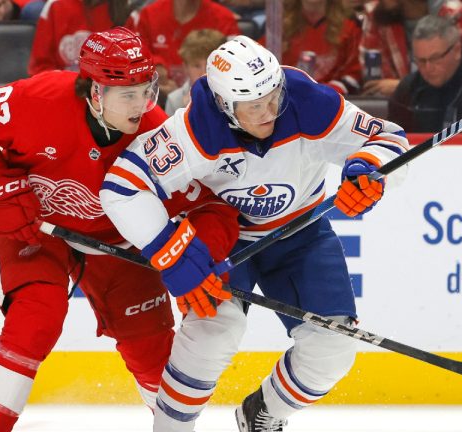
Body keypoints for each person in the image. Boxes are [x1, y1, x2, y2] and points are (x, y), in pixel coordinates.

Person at [100, 35, 409, 432]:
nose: (269, 112)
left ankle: (262, 415)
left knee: (333, 348)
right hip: (224, 235)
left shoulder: (308, 101)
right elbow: (122, 187)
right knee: (211, 335)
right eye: (254, 106)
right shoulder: (196, 128)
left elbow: (389, 139)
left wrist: (370, 170)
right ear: (225, 105)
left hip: (302, 233)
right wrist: (172, 254)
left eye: (273, 98)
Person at [0, 27, 238, 431]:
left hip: (118, 244)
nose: (141, 104)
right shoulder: (38, 98)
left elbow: (210, 205)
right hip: (35, 228)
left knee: (152, 351)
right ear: (95, 92)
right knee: (34, 322)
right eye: (127, 95)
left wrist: (199, 256)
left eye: (146, 90)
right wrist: (2, 189)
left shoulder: (155, 135)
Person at [388, 15, 462, 132]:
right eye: (421, 60)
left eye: (435, 58)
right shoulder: (408, 89)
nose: (428, 68)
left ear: (456, 51)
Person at [359, 0, 462, 97]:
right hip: (396, 106)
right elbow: (377, 84)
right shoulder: (377, 13)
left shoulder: (456, 13)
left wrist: (405, 86)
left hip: (446, 106)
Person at [125, 0, 240, 96]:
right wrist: (155, 65)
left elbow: (237, 65)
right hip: (154, 95)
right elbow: (131, 53)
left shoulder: (224, 18)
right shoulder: (147, 15)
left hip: (213, 96)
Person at [266, 0, 363, 95]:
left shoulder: (350, 29)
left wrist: (323, 93)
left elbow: (353, 74)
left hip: (331, 99)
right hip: (287, 98)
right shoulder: (277, 29)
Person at [28, 0, 129, 76]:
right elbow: (40, 68)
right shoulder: (56, 5)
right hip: (62, 90)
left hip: (111, 92)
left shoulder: (128, 10)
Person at [164, 29, 227, 116]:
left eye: (209, 65)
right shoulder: (175, 101)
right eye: (196, 66)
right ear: (185, 67)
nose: (204, 73)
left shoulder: (239, 96)